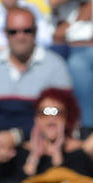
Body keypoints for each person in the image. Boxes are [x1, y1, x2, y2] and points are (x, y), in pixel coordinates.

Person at [0, 6, 74, 166]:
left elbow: (61, 115)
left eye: (27, 31)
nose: (20, 36)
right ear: (5, 33)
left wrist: (17, 136)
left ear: (36, 32)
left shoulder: (55, 66)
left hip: (41, 148)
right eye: (14, 31)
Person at [54, 0, 93, 133]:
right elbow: (52, 2)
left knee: (78, 65)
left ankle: (86, 127)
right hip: (64, 46)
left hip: (86, 48)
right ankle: (84, 128)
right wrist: (75, 21)